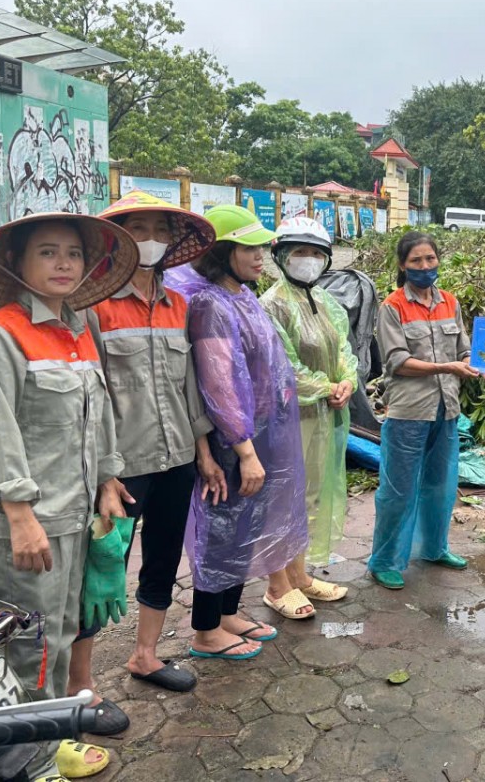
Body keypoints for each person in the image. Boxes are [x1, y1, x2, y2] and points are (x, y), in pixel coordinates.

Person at [0, 212, 138, 781]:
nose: (64, 264)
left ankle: (48, 746)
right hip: (25, 525)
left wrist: (109, 480)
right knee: (24, 648)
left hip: (73, 519)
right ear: (16, 263)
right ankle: (20, 764)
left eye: (73, 254)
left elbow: (98, 416)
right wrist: (19, 513)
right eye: (47, 253)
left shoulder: (79, 331)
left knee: (58, 639)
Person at [65, 191, 218, 712]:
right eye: (138, 228)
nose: (149, 238)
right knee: (102, 565)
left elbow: (190, 386)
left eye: (159, 228)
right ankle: (78, 683)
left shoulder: (180, 305)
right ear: (117, 240)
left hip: (176, 457)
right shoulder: (92, 306)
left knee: (163, 557)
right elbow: (90, 395)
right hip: (120, 466)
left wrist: (204, 450)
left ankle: (146, 656)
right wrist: (105, 475)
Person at [167, 204, 311, 653]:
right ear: (222, 250)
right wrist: (244, 450)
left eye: (260, 246)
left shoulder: (242, 295)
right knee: (222, 532)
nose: (260, 255)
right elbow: (220, 384)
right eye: (248, 247)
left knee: (244, 529)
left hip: (258, 432)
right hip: (234, 440)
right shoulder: (212, 303)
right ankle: (207, 630)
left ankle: (228, 614)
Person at [368, 232, 481, 590]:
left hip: (446, 409)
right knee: (397, 490)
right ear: (403, 265)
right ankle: (384, 560)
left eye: (430, 259)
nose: (425, 266)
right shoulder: (393, 307)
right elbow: (397, 362)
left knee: (440, 484)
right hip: (408, 412)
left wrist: (477, 362)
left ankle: (434, 548)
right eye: (416, 261)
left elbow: (464, 348)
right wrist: (449, 368)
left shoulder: (450, 302)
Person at [260, 216, 356, 597]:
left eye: (317, 253)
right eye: (300, 252)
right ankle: (277, 586)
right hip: (288, 418)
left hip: (323, 414)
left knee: (310, 496)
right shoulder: (273, 305)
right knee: (283, 498)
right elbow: (283, 368)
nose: (309, 260)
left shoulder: (323, 301)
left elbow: (345, 349)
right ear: (282, 256)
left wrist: (346, 380)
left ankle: (300, 576)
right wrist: (327, 386)